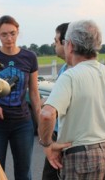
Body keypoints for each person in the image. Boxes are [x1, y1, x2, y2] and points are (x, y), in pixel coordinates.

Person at [38, 20, 105, 179]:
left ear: (71, 45)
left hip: (80, 158)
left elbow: (46, 114)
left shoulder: (70, 76)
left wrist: (47, 144)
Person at [0, 15, 41, 180]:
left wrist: (41, 123)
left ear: (18, 32)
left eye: (13, 33)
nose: (9, 38)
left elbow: (34, 93)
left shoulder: (29, 57)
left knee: (24, 172)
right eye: (4, 34)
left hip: (22, 122)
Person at [41, 22, 69, 180]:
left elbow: (47, 114)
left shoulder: (71, 73)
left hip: (62, 139)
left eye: (56, 40)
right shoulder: (65, 68)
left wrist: (46, 143)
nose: (54, 44)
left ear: (66, 43)